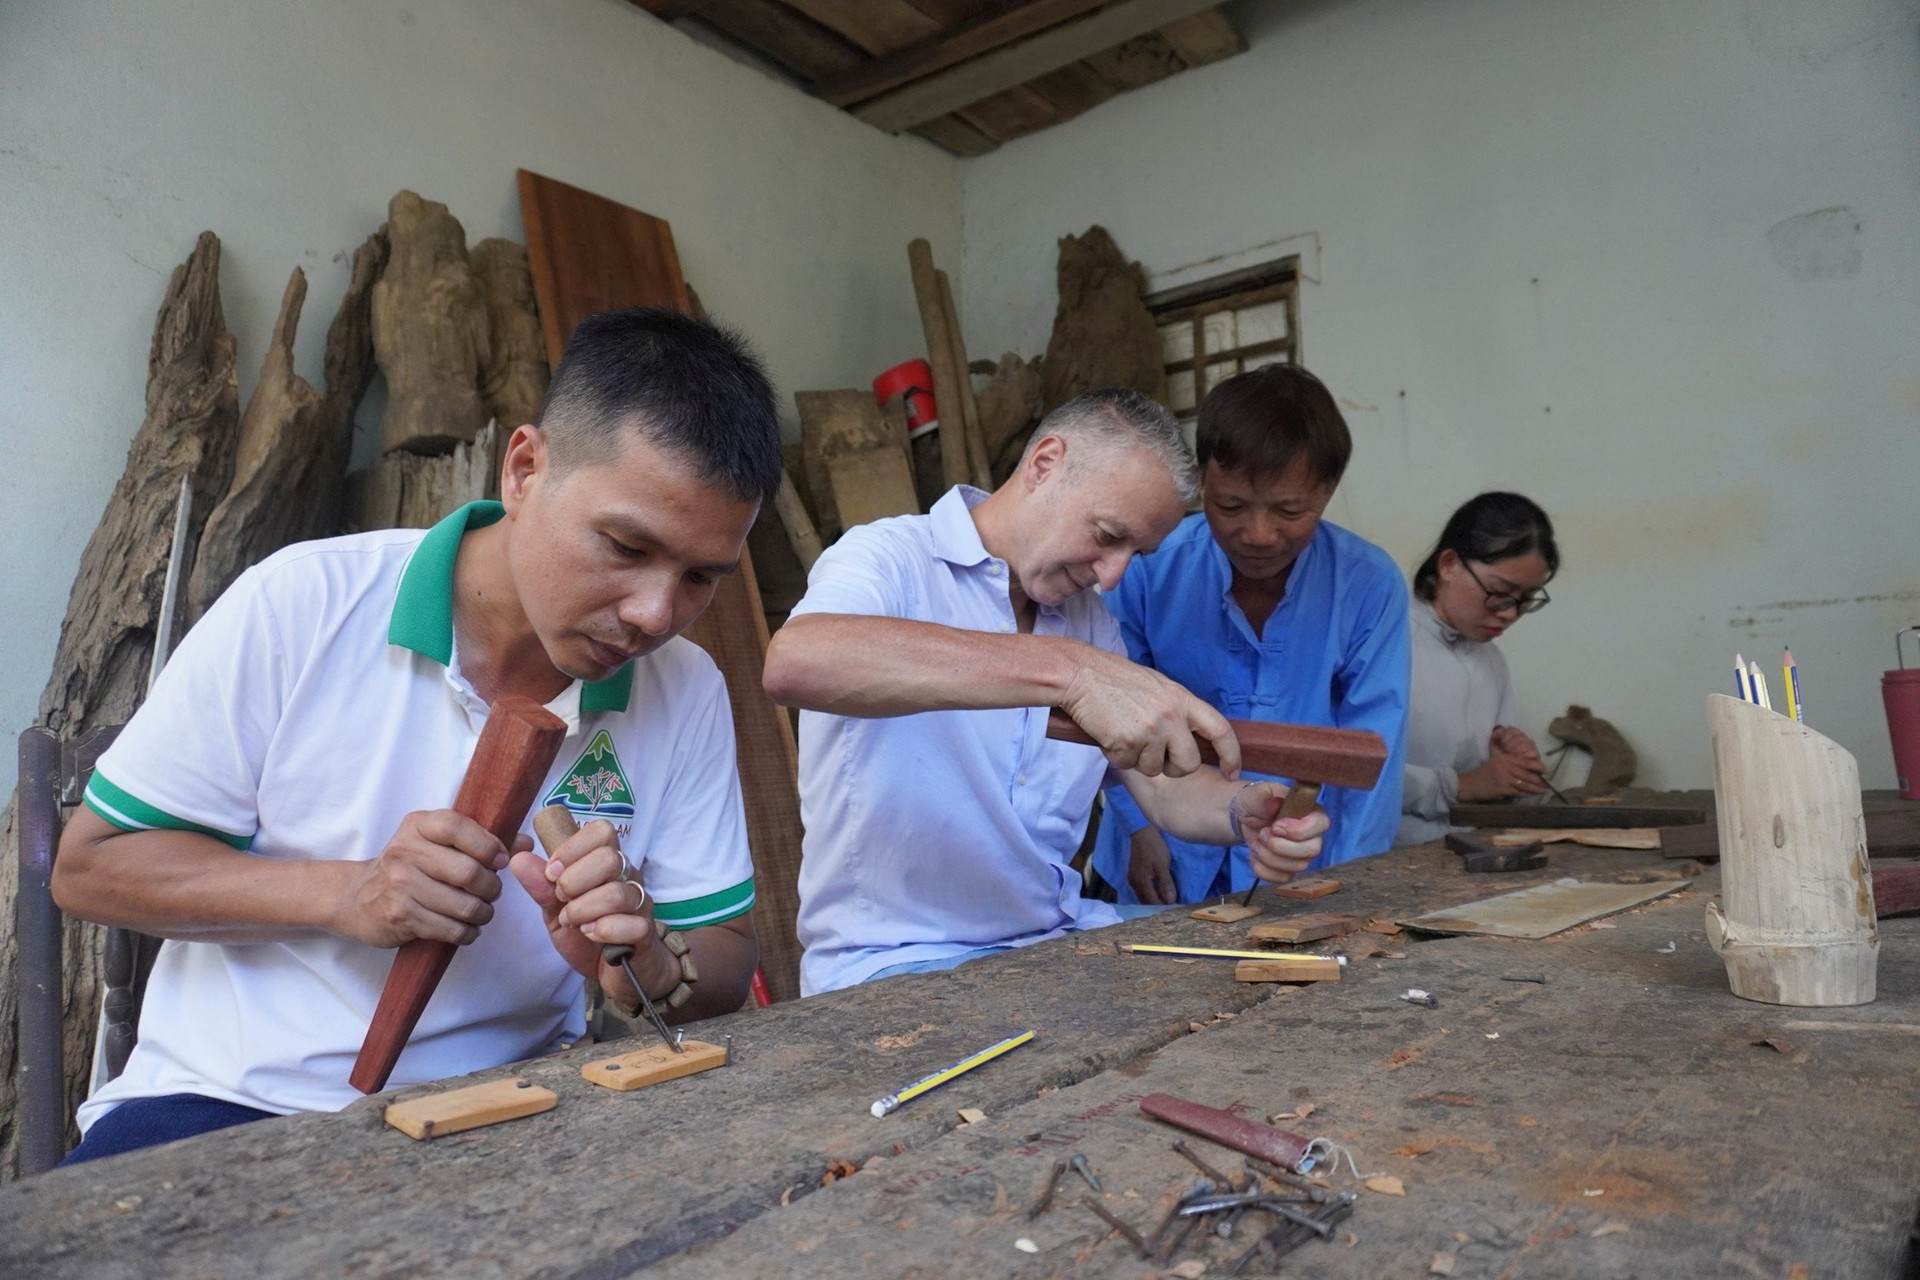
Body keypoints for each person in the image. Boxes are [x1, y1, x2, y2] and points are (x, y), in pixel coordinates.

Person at [52, 308, 779, 1161]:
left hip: (514, 1106)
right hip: (230, 1102)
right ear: (524, 468)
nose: (656, 612)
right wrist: (347, 894)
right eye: (624, 546)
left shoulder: (682, 688)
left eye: (701, 577)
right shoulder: (302, 605)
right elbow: (91, 866)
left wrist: (645, 961)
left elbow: (724, 957)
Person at [762, 389, 1332, 996]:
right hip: (893, 962)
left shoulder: (1090, 623)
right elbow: (797, 661)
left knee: (1278, 989)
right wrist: (1067, 671)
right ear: (1043, 464)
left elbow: (1161, 791)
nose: (1112, 574)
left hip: (1055, 941)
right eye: (1108, 534)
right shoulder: (891, 559)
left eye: (1135, 553)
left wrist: (1240, 812)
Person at [1087, 365, 1410, 905]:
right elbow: (1109, 718)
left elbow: (1374, 757)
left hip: (1302, 859)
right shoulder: (1146, 567)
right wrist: (1138, 830)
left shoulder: (1368, 586)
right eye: (1231, 506)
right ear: (1202, 478)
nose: (1259, 535)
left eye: (1289, 510)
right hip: (1159, 853)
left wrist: (1351, 885)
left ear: (1328, 491)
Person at [1397, 492, 1560, 846]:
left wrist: (1512, 773)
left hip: (1465, 852)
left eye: (1527, 599)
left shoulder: (1492, 662)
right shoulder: (1386, 643)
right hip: (1376, 858)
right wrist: (1465, 786)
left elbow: (1485, 782)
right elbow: (1347, 776)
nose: (1510, 613)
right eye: (1501, 592)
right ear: (1449, 564)